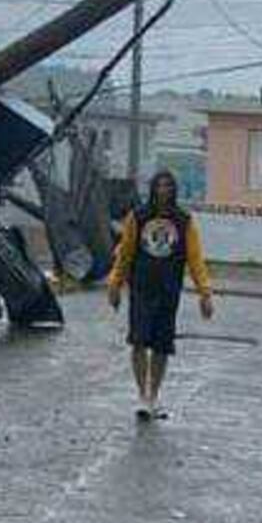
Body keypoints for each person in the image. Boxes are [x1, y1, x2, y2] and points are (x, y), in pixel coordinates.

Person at [106, 168, 214, 422]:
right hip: (142, 288)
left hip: (168, 290)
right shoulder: (138, 217)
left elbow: (195, 258)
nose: (163, 190)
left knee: (162, 345)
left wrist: (205, 293)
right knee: (139, 341)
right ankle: (142, 394)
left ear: (174, 190)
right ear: (153, 189)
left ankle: (153, 395)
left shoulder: (183, 221)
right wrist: (115, 283)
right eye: (159, 185)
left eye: (168, 186)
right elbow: (125, 253)